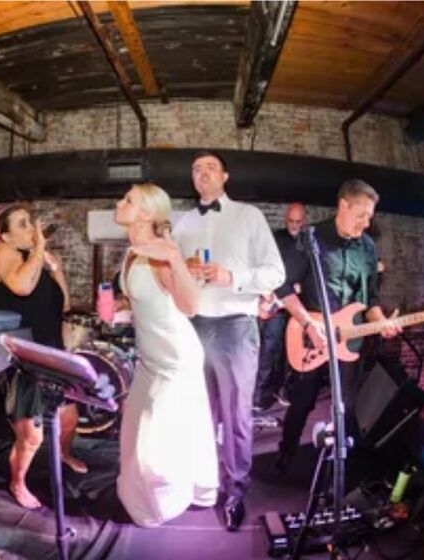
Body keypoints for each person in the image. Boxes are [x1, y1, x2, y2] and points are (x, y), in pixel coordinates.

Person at [172, 151, 285, 531]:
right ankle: (203, 483)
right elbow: (171, 276)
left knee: (236, 414)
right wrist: (184, 271)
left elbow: (275, 273)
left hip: (235, 326)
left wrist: (231, 277)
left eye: (210, 168)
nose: (202, 173)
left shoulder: (248, 216)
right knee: (198, 412)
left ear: (225, 176)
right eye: (196, 168)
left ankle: (236, 490)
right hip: (192, 325)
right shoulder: (182, 222)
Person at [274, 179, 401, 474]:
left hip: (349, 339)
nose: (366, 223)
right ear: (343, 205)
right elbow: (283, 286)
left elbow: (370, 300)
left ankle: (343, 465)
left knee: (347, 404)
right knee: (302, 401)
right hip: (312, 335)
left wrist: (381, 322)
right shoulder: (311, 238)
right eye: (361, 215)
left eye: (370, 216)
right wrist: (308, 324)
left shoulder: (367, 247)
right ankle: (286, 452)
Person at [113, 183, 218, 527]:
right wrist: (121, 308)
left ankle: (161, 506)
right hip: (151, 358)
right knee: (133, 429)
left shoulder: (161, 253)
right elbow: (147, 298)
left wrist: (175, 259)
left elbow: (190, 306)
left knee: (153, 445)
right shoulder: (133, 251)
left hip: (175, 358)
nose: (119, 203)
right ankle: (154, 496)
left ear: (145, 213)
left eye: (128, 200)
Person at [0, 205, 86, 510]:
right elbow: (20, 286)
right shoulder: (4, 252)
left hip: (52, 350)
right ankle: (17, 482)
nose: (32, 227)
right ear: (6, 235)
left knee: (69, 419)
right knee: (31, 436)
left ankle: (64, 453)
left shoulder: (34, 261)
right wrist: (40, 248)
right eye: (23, 223)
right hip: (22, 357)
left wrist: (55, 269)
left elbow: (63, 304)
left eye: (31, 222)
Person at [254, 202, 307, 411]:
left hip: (297, 305)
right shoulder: (275, 239)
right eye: (291, 221)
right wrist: (264, 293)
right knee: (269, 349)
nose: (294, 225)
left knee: (292, 350)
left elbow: (312, 272)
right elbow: (263, 267)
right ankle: (260, 396)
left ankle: (285, 390)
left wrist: (303, 286)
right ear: (286, 219)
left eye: (298, 221)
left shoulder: (309, 243)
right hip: (276, 303)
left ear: (304, 221)